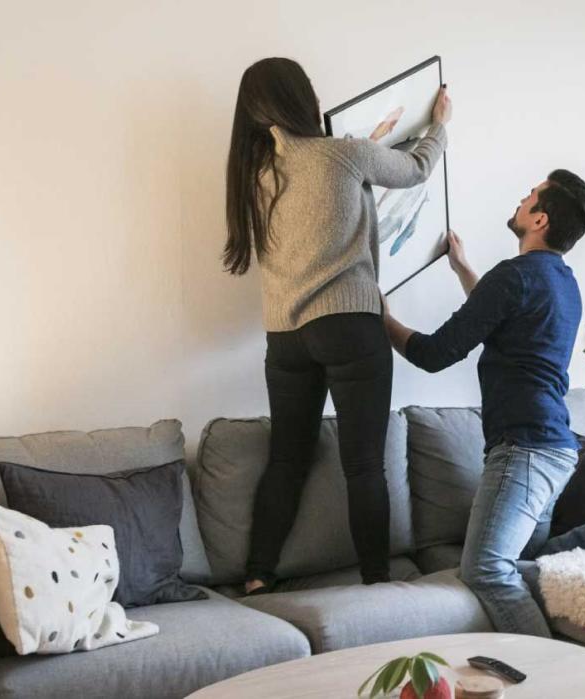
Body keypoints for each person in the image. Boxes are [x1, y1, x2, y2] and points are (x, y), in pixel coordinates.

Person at [383, 171, 585, 636]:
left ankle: (546, 677)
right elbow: (500, 314)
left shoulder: (513, 278)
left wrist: (382, 320)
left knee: (486, 571)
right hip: (555, 449)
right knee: (526, 563)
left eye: (529, 196)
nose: (520, 199)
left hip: (523, 450)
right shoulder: (562, 283)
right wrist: (461, 268)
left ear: (540, 218)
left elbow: (434, 354)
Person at [223, 57, 451, 592]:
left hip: (285, 338)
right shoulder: (341, 155)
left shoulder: (255, 179)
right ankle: (376, 580)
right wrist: (439, 124)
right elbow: (416, 168)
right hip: (348, 325)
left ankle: (258, 574)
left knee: (286, 459)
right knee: (364, 464)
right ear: (301, 98)